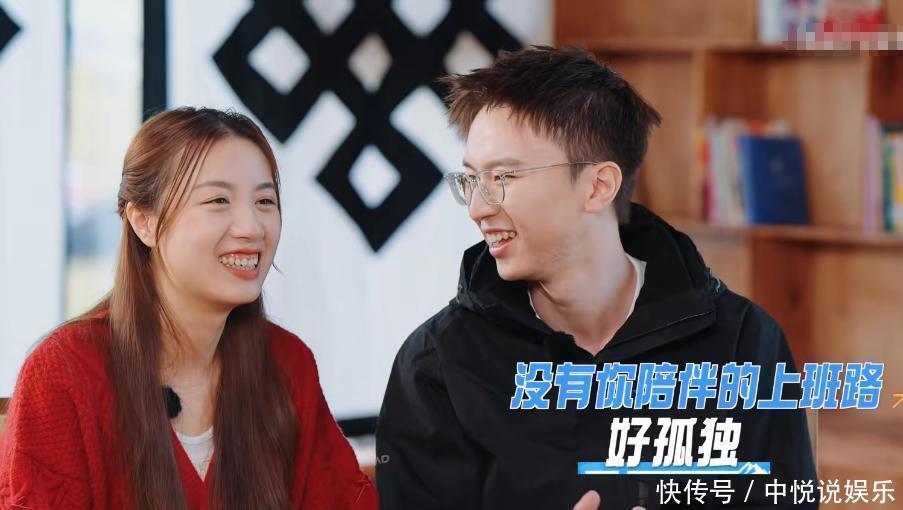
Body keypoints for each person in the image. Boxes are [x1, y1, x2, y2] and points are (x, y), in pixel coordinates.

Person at [376, 46, 816, 509]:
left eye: (503, 177)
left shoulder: (746, 345)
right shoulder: (439, 363)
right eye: (471, 179)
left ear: (599, 186)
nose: (477, 208)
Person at [0, 107, 378, 510]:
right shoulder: (63, 372)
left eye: (265, 200)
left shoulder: (287, 363)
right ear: (144, 222)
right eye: (218, 200)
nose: (252, 227)